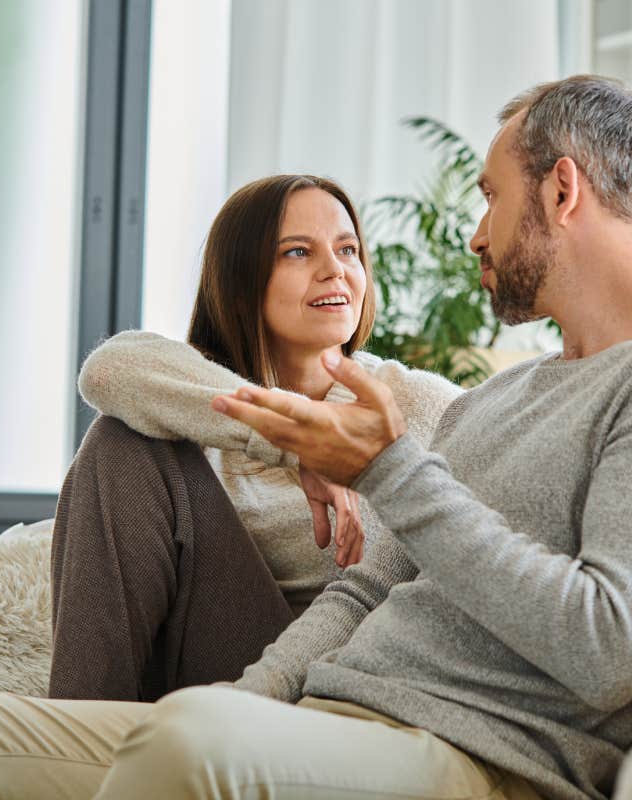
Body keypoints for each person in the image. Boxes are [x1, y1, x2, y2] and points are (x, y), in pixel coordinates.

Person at [0, 74, 632, 800]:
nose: (477, 236)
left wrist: (387, 469)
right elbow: (366, 590)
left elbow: (607, 647)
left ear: (561, 190)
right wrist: (253, 701)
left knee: (189, 747)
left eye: (490, 197)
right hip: (334, 715)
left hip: (474, 755)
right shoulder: (504, 394)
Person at [48, 173, 461, 701]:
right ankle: (80, 733)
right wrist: (294, 443)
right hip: (215, 659)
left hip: (343, 675)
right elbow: (107, 371)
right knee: (119, 442)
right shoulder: (197, 390)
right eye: (297, 252)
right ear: (242, 278)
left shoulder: (415, 402)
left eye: (348, 249)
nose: (334, 270)